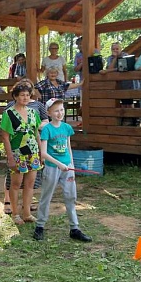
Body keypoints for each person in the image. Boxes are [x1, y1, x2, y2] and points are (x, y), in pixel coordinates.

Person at [33, 98, 92, 243]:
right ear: (49, 113)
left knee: (71, 197)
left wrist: (71, 164)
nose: (59, 113)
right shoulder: (47, 129)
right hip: (53, 168)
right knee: (46, 196)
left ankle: (74, 228)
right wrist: (59, 164)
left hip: (67, 167)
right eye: (56, 110)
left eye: (61, 110)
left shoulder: (66, 128)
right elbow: (44, 153)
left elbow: (68, 147)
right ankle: (39, 226)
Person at [3, 78, 48, 214]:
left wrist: (41, 153)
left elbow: (36, 134)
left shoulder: (33, 113)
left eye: (28, 95)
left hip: (33, 153)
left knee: (30, 184)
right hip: (17, 153)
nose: (25, 97)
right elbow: (5, 137)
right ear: (15, 96)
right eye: (22, 95)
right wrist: (10, 157)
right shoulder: (9, 113)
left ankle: (27, 213)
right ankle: (15, 214)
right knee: (16, 184)